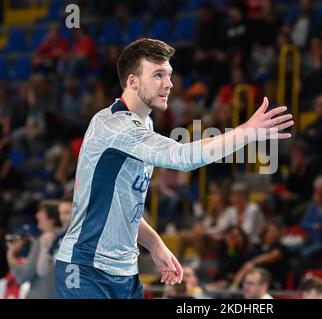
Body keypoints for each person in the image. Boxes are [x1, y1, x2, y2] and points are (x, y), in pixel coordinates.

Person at [54, 38, 293, 299]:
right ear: (133, 81)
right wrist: (245, 132)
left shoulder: (144, 125)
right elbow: (183, 157)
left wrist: (155, 244)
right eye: (158, 75)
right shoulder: (114, 126)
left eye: (169, 75)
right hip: (84, 268)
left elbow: (123, 205)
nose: (168, 84)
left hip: (124, 271)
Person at [7, 201, 62, 299]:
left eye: (41, 212)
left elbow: (23, 276)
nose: (37, 215)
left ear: (51, 219)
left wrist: (11, 255)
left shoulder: (43, 241)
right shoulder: (65, 239)